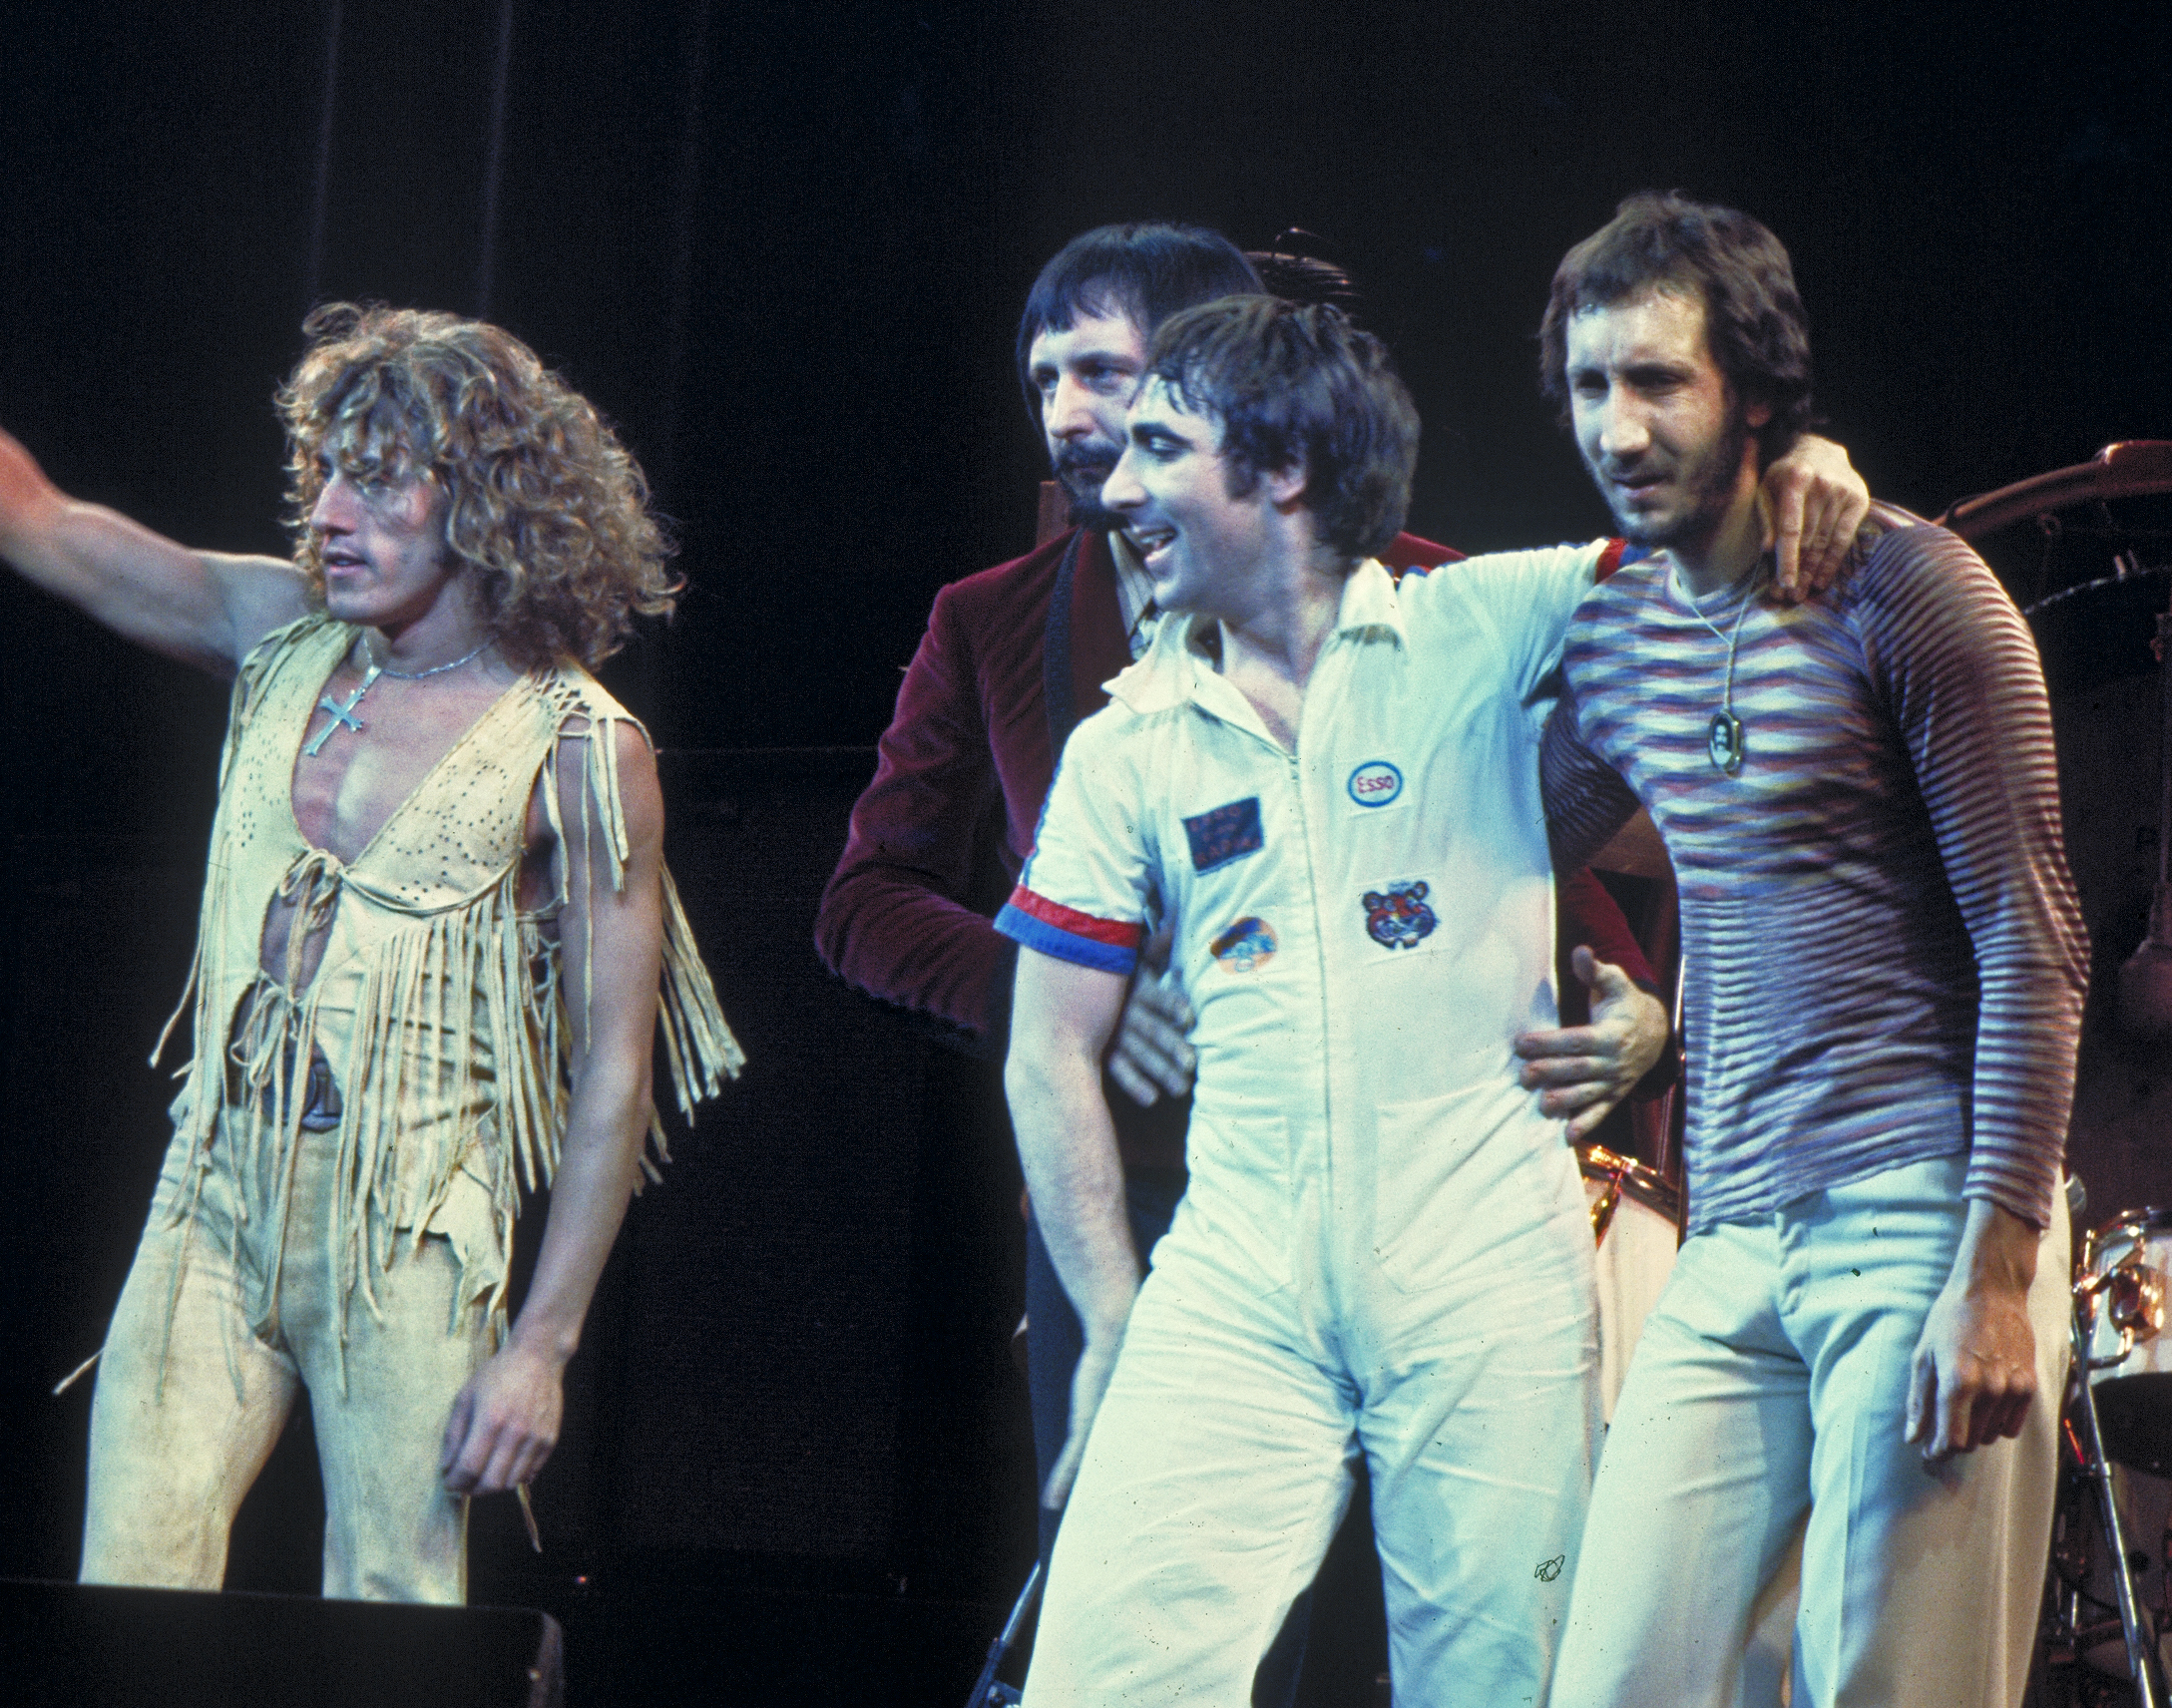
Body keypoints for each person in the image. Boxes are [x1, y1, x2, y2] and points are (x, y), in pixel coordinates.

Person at [0, 90, 741, 1602]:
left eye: (382, 479)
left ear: (485, 505)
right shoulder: (276, 634)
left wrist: (543, 1348)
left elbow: (617, 1079)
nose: (335, 514)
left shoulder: (582, 749)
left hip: (415, 1241)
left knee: (393, 1626)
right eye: (328, 475)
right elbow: (15, 512)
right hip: (215, 1199)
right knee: (135, 1601)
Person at [994, 289, 1877, 1707]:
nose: (1117, 480)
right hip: (1233, 1290)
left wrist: (1804, 469)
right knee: (1099, 1685)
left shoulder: (1488, 622)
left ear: (1281, 469)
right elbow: (1047, 1054)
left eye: (1161, 445)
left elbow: (1725, 563)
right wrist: (1111, 1316)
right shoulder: (1130, 743)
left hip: (1487, 1284)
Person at [815, 223, 1692, 1566]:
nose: (1067, 415)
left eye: (1105, 375)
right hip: (1134, 1190)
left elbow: (1518, 837)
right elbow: (865, 896)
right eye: (1043, 378)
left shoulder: (1422, 586)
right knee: (1143, 1595)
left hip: (1401, 1194)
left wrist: (1633, 1016)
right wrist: (1050, 993)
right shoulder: (991, 617)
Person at [1537, 193, 2083, 1708]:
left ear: (1757, 393)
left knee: (1886, 1693)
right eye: (1591, 385)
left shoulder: (1906, 588)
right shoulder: (1617, 634)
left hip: (1920, 1220)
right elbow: (1493, 832)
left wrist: (1997, 1270)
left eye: (1659, 381)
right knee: (1613, 1682)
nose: (1618, 426)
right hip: (1734, 1237)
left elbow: (2035, 937)